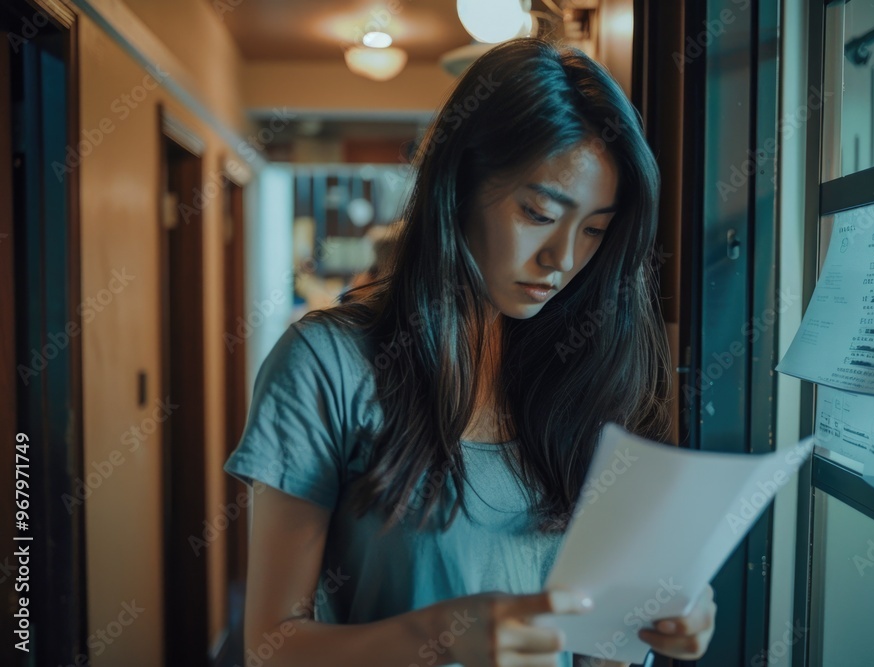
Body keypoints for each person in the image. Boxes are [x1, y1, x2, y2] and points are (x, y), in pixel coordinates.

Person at [223, 37, 716, 667]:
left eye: (594, 230)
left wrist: (660, 614)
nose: (562, 260)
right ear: (457, 188)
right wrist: (439, 635)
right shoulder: (328, 364)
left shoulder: (594, 370)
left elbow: (597, 643)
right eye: (539, 213)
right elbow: (270, 646)